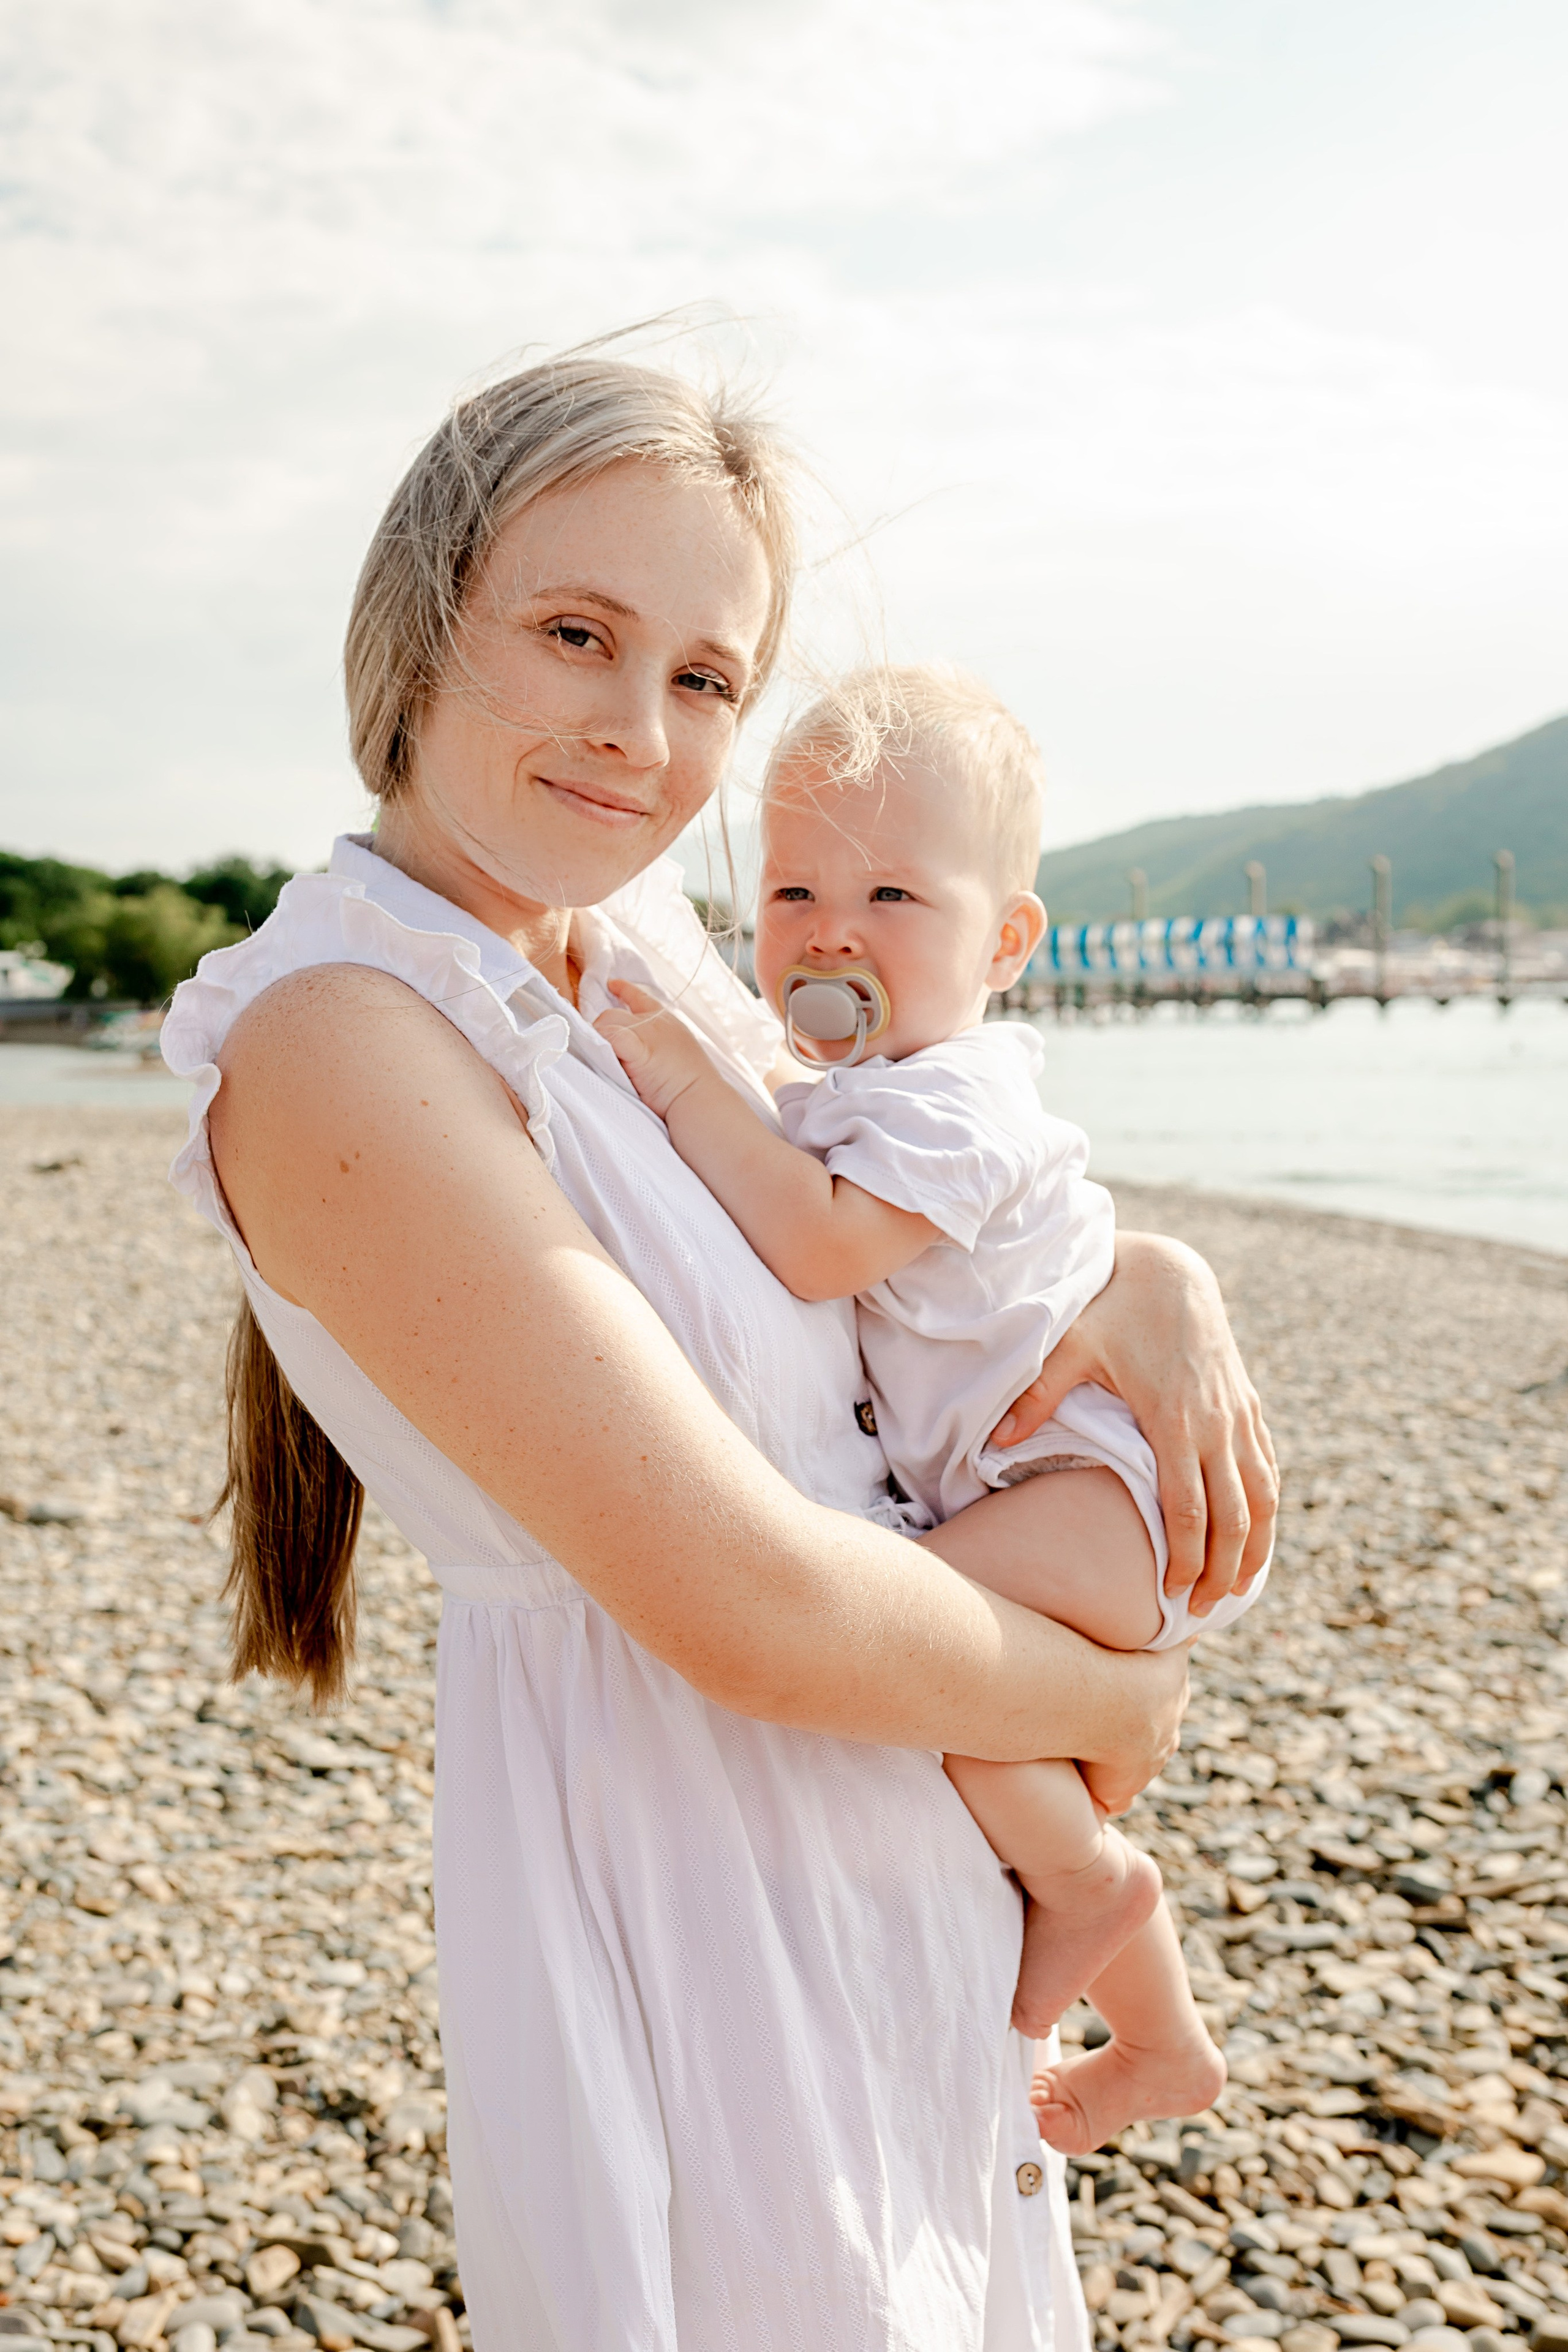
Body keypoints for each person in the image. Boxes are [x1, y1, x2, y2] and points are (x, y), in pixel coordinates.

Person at [162, 350, 1278, 2351]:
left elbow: (925, 1235)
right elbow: (743, 1599)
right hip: (691, 1892)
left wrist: (1157, 1282)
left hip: (886, 1870)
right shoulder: (345, 1034)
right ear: (418, 627)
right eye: (578, 634)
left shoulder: (634, 950)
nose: (639, 734)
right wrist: (1124, 1699)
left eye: (704, 682)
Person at [599, 663, 1272, 2160]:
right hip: (1047, 1493)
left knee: (912, 1658)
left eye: (893, 895)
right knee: (980, 1726)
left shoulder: (958, 1098)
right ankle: (1158, 2041)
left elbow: (821, 1240)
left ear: (1006, 940)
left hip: (1101, 1494)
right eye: (791, 893)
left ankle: (1098, 1901)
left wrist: (677, 1083)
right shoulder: (863, 1085)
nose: (830, 931)